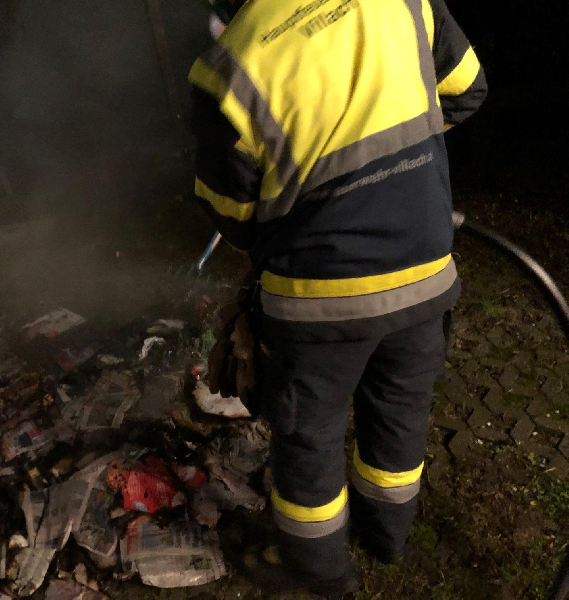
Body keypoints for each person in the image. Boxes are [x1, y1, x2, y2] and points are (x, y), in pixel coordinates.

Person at [189, 0, 487, 596]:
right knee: (400, 412)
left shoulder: (229, 67)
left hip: (318, 303)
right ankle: (387, 539)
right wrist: (397, 172)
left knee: (309, 436)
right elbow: (466, 91)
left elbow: (231, 214)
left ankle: (323, 576)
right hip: (423, 274)